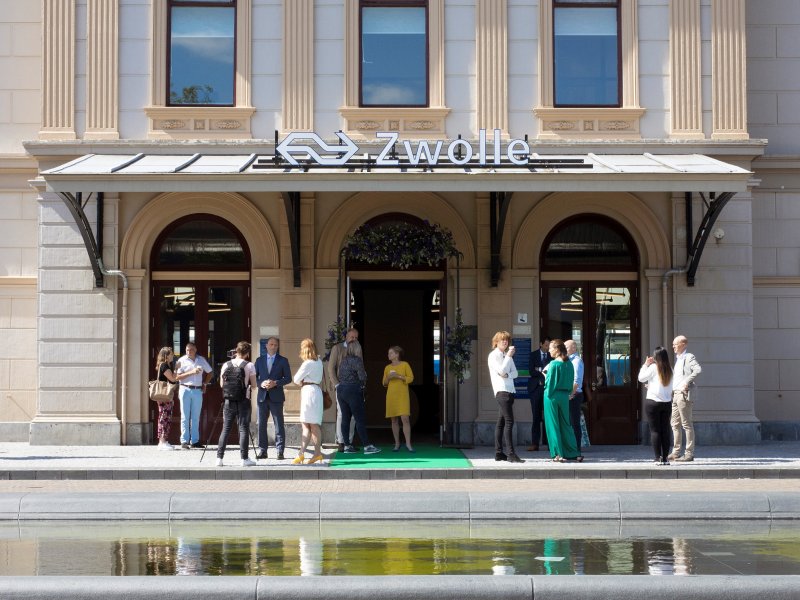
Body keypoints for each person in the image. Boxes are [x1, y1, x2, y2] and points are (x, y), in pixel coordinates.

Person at [215, 341, 258, 467]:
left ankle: (219, 458)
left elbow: (222, 385)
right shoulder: (249, 365)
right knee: (243, 428)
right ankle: (244, 459)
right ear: (247, 353)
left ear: (236, 351)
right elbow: (254, 385)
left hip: (228, 401)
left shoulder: (226, 364)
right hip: (244, 400)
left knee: (226, 429)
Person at [337, 340, 381, 455]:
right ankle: (367, 446)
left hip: (341, 390)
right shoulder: (357, 360)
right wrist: (363, 383)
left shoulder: (343, 360)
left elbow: (340, 375)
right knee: (359, 419)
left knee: (345, 418)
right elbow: (362, 377)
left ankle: (347, 446)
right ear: (357, 349)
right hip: (353, 390)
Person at [543, 339, 582, 462]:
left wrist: (547, 392)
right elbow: (572, 381)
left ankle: (557, 454)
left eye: (551, 348)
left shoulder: (554, 364)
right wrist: (568, 393)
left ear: (557, 349)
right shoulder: (569, 363)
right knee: (566, 424)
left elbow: (549, 384)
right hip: (565, 396)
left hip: (552, 396)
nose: (549, 350)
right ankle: (573, 452)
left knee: (553, 425)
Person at [488, 331, 524, 463]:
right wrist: (508, 357)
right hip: (501, 391)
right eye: (502, 340)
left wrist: (507, 375)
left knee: (501, 422)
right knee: (509, 421)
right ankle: (511, 454)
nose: (505, 342)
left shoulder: (506, 355)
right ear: (496, 342)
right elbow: (501, 371)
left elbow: (515, 373)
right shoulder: (494, 355)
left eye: (507, 340)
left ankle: (499, 453)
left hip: (509, 390)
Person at [254, 336, 292, 460]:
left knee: (279, 424)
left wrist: (276, 383)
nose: (273, 347)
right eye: (271, 344)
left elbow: (288, 378)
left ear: (278, 347)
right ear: (266, 346)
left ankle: (280, 451)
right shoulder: (259, 360)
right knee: (261, 425)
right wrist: (261, 383)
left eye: (275, 345)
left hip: (276, 397)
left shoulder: (283, 360)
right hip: (262, 397)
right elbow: (254, 378)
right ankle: (263, 450)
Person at [638, 346, 673, 465]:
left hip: (653, 402)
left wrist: (645, 365)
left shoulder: (653, 367)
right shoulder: (670, 369)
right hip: (667, 403)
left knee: (655, 431)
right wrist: (651, 386)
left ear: (655, 357)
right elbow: (668, 386)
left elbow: (641, 378)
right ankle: (666, 458)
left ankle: (658, 458)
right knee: (665, 430)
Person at [292, 338, 325, 464]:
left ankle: (303, 454)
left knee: (306, 425)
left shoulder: (307, 363)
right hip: (316, 391)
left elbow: (296, 379)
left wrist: (301, 382)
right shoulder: (319, 361)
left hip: (308, 393)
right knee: (314, 425)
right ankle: (315, 453)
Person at [669, 335, 702, 462]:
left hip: (683, 394)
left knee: (686, 424)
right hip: (675, 394)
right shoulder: (678, 359)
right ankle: (676, 452)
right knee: (674, 424)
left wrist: (686, 382)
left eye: (675, 344)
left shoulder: (688, 357)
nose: (673, 347)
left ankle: (689, 453)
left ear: (683, 344)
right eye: (673, 344)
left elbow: (697, 370)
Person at [174, 342, 213, 449]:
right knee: (185, 416)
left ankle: (195, 441)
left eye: (191, 349)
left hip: (197, 390)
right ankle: (184, 441)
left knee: (196, 417)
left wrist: (205, 383)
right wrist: (192, 372)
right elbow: (177, 377)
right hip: (185, 389)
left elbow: (210, 372)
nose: (189, 352)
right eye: (187, 350)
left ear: (195, 350)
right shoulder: (181, 360)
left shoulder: (201, 360)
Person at [326, 327, 358, 452]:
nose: (354, 339)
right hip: (341, 386)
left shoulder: (357, 348)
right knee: (341, 414)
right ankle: (341, 442)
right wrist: (337, 384)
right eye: (352, 337)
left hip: (354, 386)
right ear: (346, 337)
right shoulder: (337, 348)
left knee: (353, 415)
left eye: (356, 337)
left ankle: (349, 441)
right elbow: (331, 368)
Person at [383, 345, 415, 452]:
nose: (388, 355)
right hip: (391, 396)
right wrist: (389, 377)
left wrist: (398, 376)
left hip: (402, 395)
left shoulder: (405, 365)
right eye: (388, 353)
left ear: (397, 354)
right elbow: (384, 383)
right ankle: (397, 443)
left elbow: (411, 378)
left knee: (405, 418)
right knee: (394, 420)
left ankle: (408, 444)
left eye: (391, 353)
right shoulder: (387, 368)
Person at [527, 335, 551, 451]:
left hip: (547, 389)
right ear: (541, 344)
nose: (547, 348)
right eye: (546, 345)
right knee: (536, 417)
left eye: (549, 346)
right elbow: (531, 371)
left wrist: (539, 370)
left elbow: (551, 372)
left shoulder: (551, 356)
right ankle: (535, 443)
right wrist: (542, 371)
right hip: (535, 389)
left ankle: (550, 444)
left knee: (548, 416)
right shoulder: (533, 355)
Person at [154, 347, 177, 450]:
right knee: (164, 417)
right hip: (164, 396)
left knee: (166, 417)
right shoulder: (164, 365)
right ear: (166, 356)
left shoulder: (165, 365)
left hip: (165, 396)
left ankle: (163, 440)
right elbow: (172, 379)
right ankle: (162, 441)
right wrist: (176, 369)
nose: (173, 356)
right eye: (171, 354)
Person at [565, 339, 585, 454]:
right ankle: (571, 448)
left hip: (574, 395)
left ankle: (576, 449)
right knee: (569, 423)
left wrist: (570, 394)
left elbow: (576, 381)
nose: (564, 349)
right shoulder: (568, 360)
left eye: (566, 347)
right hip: (571, 395)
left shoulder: (576, 361)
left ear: (573, 348)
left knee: (574, 423)